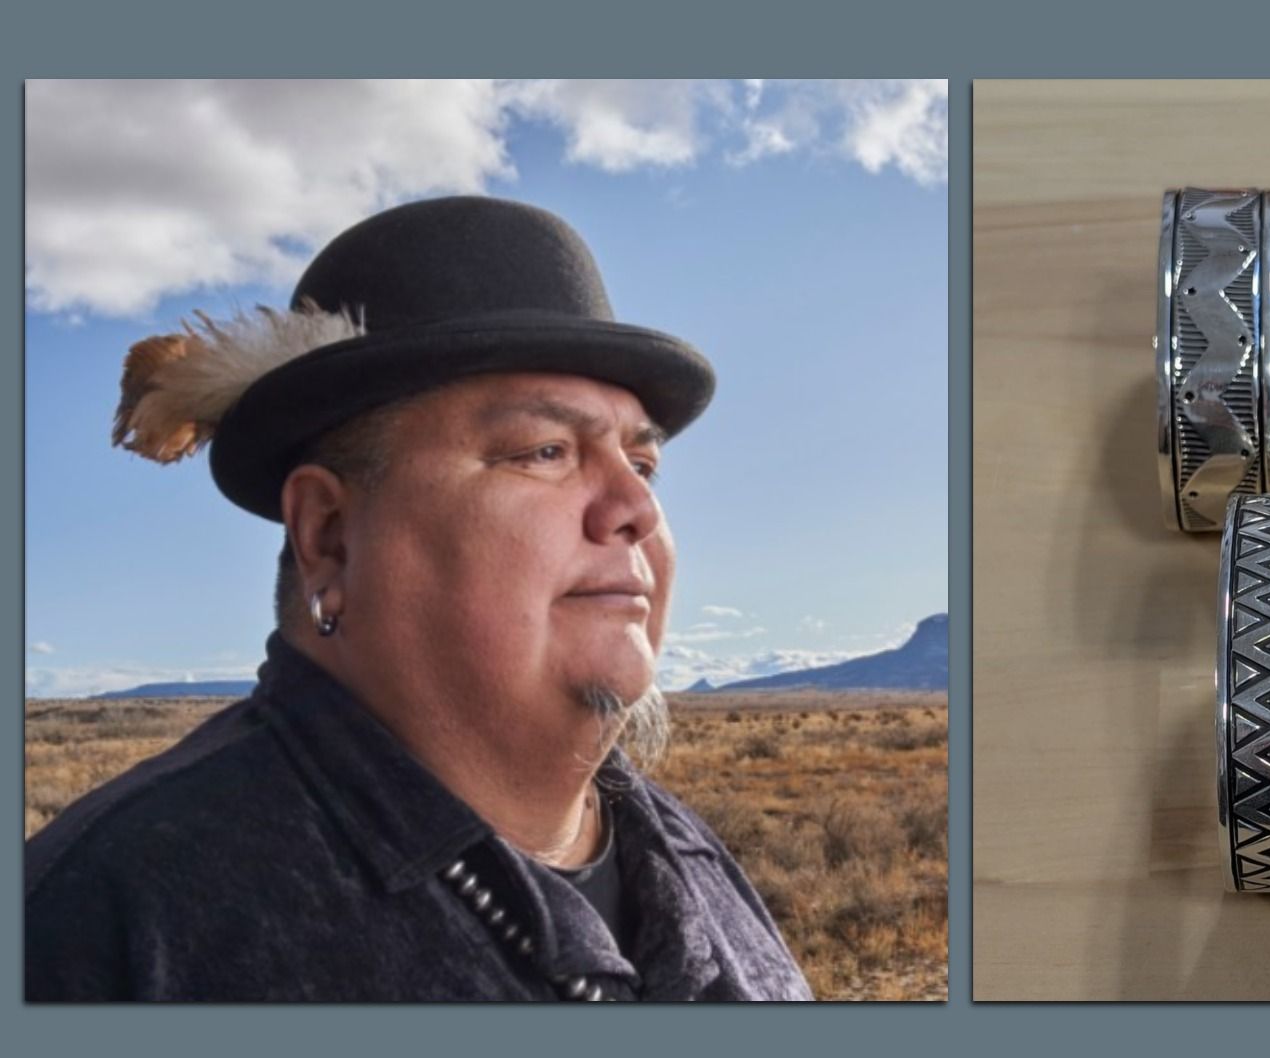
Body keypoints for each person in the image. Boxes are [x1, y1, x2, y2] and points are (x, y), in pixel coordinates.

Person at [25, 195, 813, 1002]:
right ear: (330, 535)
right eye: (544, 452)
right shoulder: (103, 925)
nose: (636, 510)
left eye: (643, 466)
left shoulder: (685, 853)